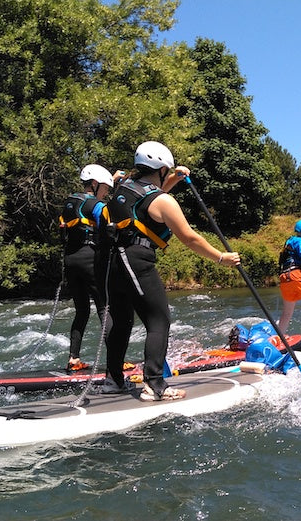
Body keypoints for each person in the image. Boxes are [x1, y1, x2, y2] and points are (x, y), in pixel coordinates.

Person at [96, 140, 240, 400]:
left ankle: (114, 381)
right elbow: (189, 237)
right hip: (136, 260)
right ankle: (154, 385)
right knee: (158, 320)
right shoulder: (164, 201)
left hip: (111, 264)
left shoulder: (123, 188)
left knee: (123, 322)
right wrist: (221, 257)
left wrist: (174, 176)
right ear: (162, 169)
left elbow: (149, 196)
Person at [59, 164, 116, 372]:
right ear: (94, 183)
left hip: (70, 260)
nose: (106, 192)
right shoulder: (96, 205)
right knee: (104, 308)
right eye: (105, 188)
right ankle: (114, 363)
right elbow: (108, 228)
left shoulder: (70, 200)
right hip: (89, 259)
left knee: (81, 310)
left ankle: (73, 358)